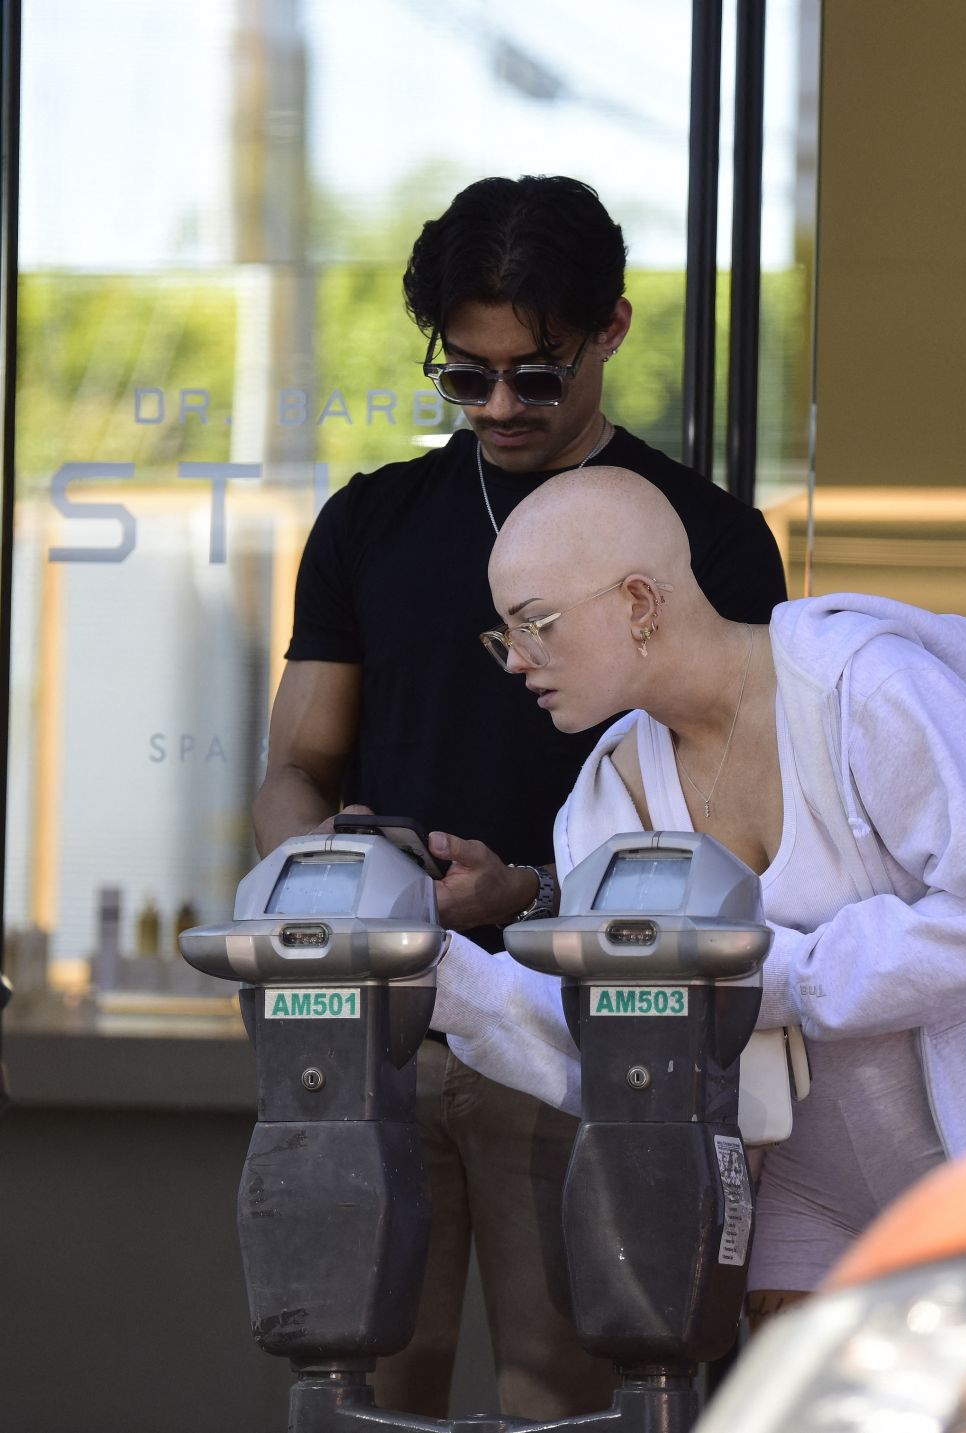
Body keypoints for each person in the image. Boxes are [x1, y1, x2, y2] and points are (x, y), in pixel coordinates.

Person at [252, 176, 787, 1418]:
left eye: (534, 374)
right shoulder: (375, 521)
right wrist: (330, 888)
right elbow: (293, 767)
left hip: (588, 1034)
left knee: (574, 1392)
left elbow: (744, 827)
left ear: (612, 327)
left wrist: (532, 892)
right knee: (367, 1389)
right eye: (465, 375)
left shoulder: (703, 539)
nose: (498, 404)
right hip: (373, 1028)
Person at [427, 466, 966, 1321]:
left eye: (535, 624)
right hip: (806, 1191)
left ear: (638, 602)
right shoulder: (606, 798)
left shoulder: (865, 689)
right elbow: (617, 1037)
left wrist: (781, 976)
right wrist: (450, 978)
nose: (516, 659)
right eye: (505, 633)